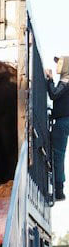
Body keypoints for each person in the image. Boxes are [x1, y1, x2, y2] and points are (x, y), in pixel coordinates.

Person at [47, 56, 69, 201]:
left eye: (60, 62)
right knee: (58, 154)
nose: (57, 65)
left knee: (57, 154)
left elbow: (54, 94)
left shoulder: (66, 81)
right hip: (62, 121)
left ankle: (59, 190)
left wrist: (49, 79)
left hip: (62, 122)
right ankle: (58, 189)